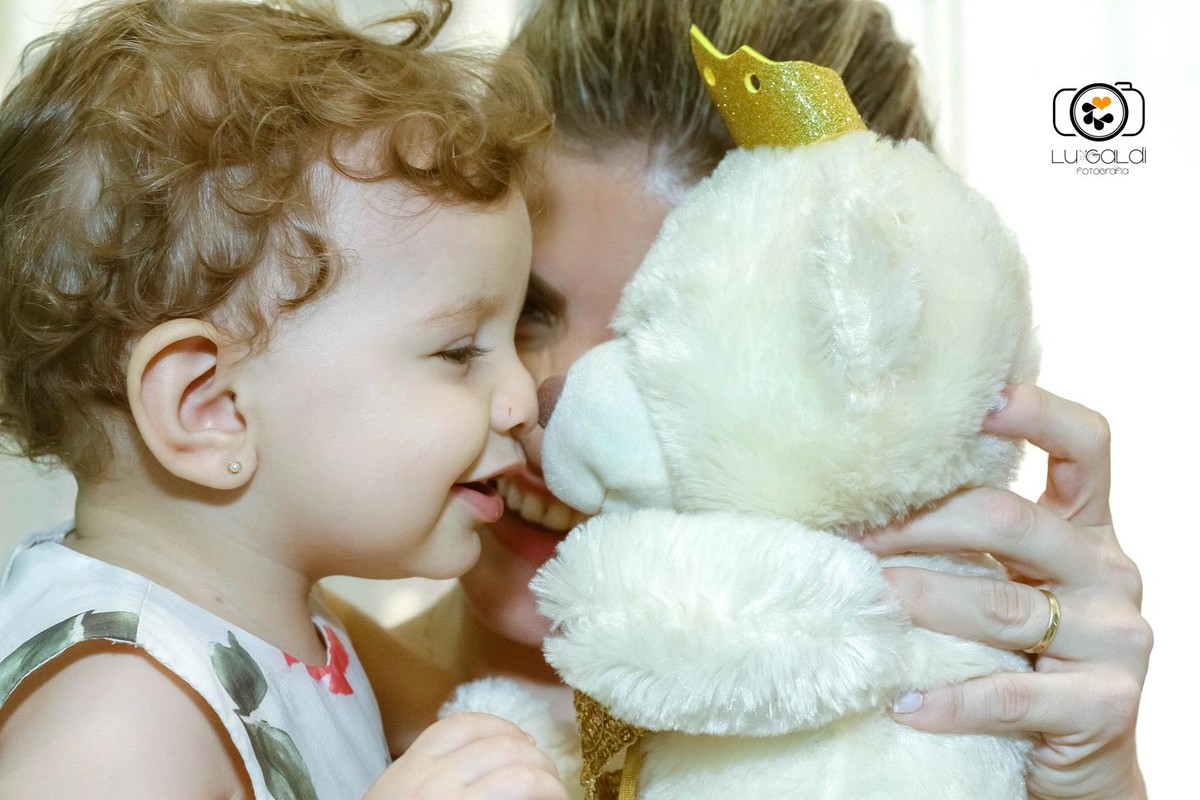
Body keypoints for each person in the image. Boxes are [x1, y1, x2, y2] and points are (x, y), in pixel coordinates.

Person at [331, 1, 1151, 798]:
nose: (549, 405)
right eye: (522, 308)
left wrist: (1094, 788)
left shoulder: (936, 751)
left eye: (655, 342)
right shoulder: (260, 713)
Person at [0, 1, 569, 798]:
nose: (520, 396)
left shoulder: (290, 622)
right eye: (458, 351)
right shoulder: (119, 713)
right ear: (209, 407)